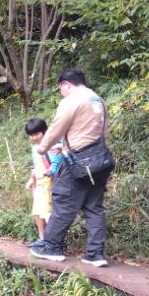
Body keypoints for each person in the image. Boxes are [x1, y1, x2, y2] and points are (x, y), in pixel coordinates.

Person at [30, 68, 111, 267]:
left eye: (61, 89)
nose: (61, 93)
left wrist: (43, 148)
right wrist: (67, 146)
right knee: (94, 207)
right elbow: (99, 132)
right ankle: (95, 254)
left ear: (67, 84)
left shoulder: (72, 100)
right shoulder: (97, 99)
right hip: (99, 161)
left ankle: (51, 246)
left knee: (63, 200)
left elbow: (57, 127)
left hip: (77, 163)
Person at [24, 118, 62, 244]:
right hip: (39, 185)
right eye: (31, 135)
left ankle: (53, 242)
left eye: (36, 134)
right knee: (38, 211)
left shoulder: (54, 146)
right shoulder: (35, 149)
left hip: (50, 184)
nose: (34, 137)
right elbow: (36, 166)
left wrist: (47, 173)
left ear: (44, 132)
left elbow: (56, 164)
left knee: (47, 213)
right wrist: (31, 179)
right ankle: (42, 238)